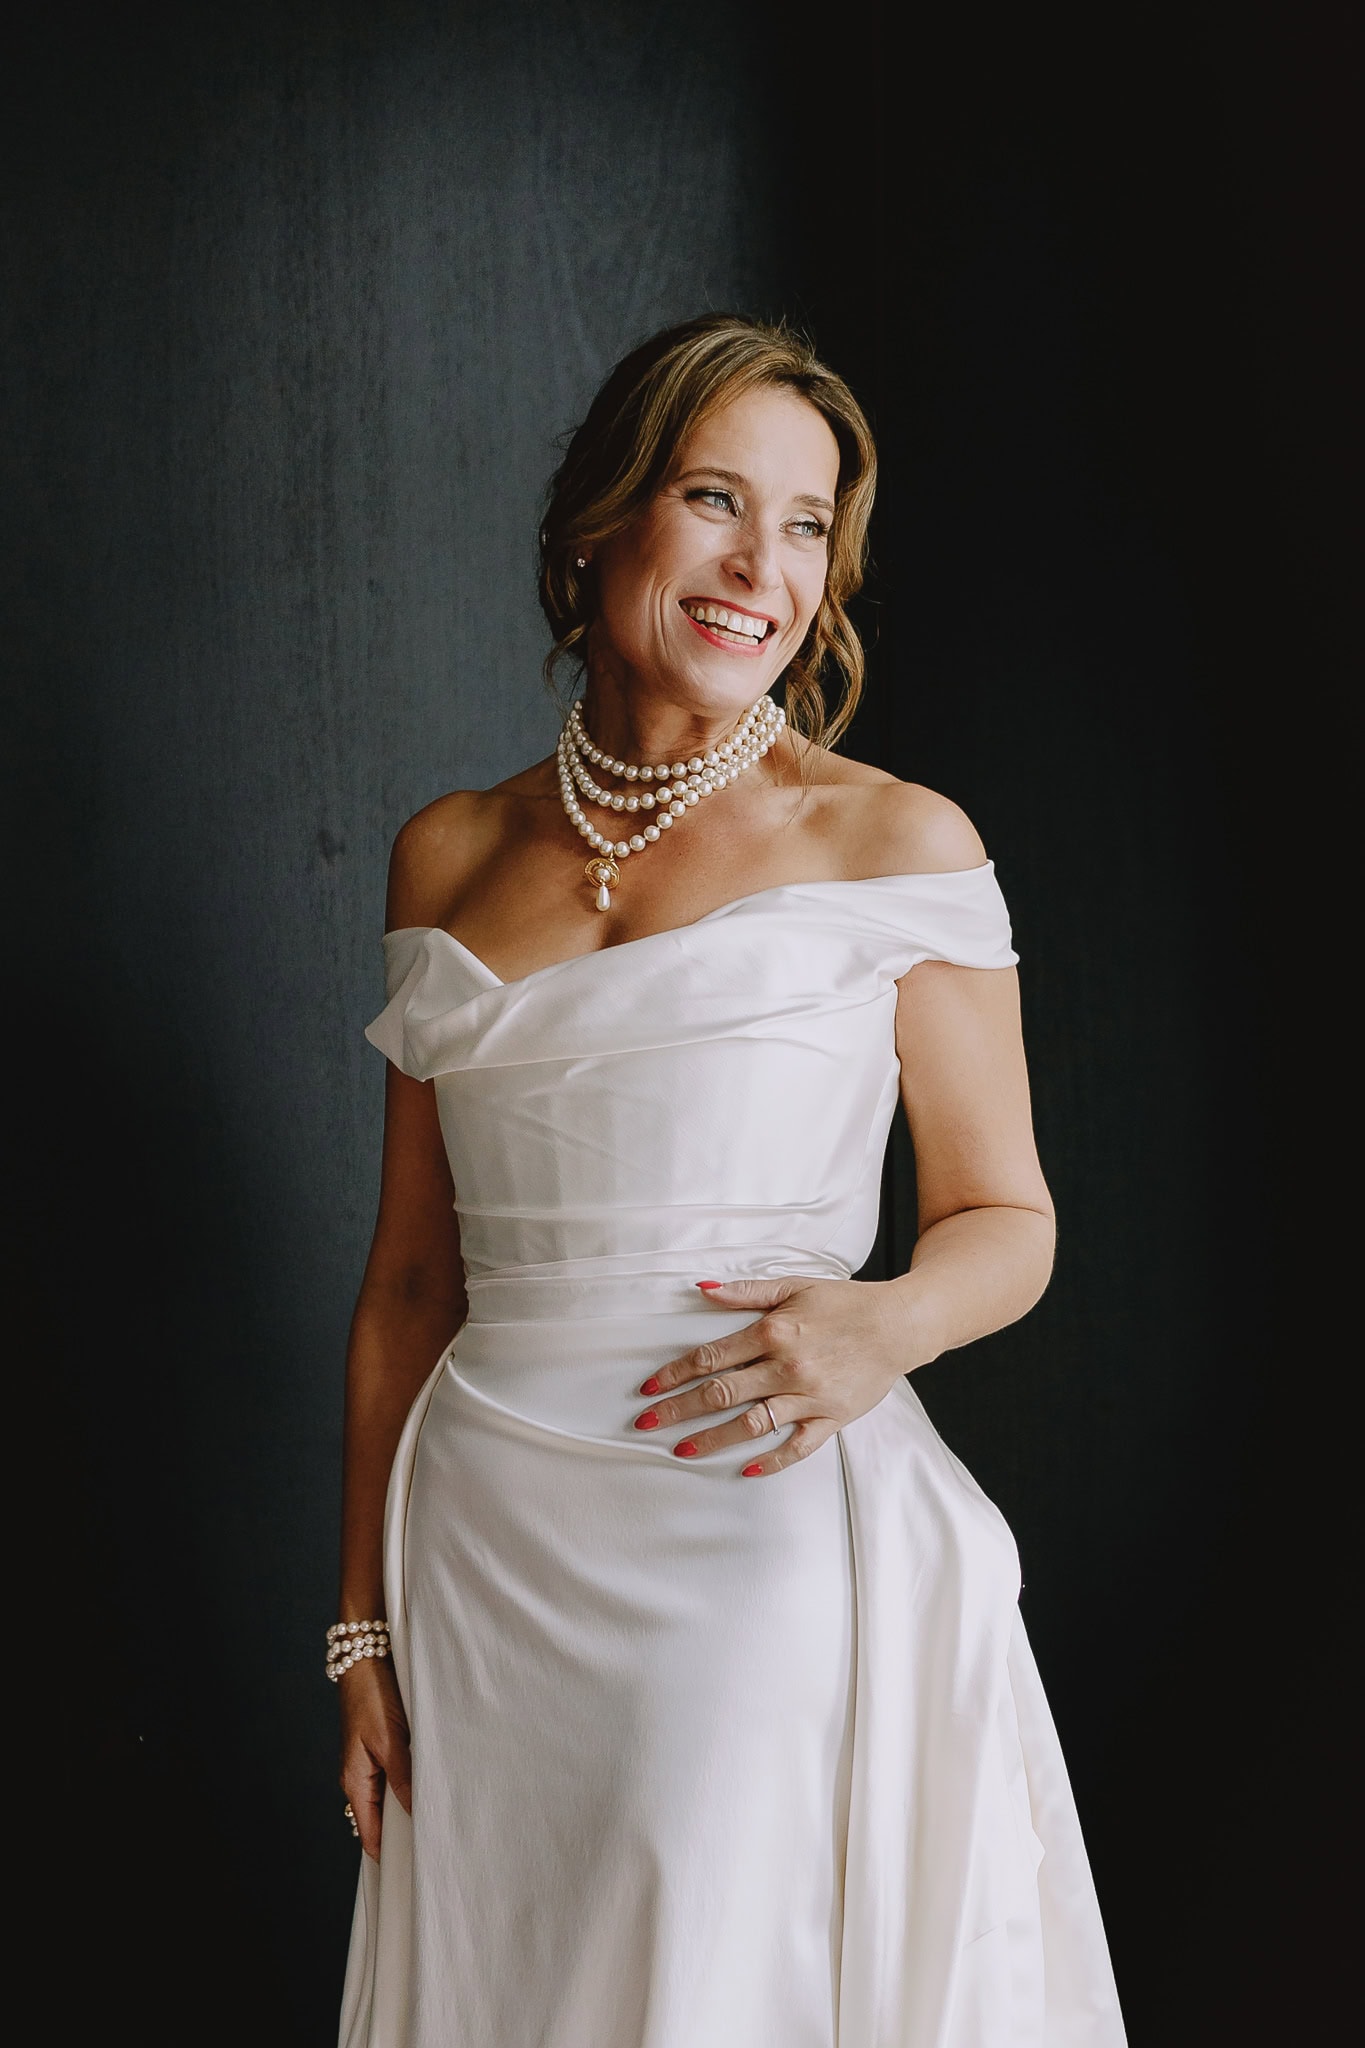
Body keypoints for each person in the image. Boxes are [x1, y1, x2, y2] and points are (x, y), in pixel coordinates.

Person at [333, 314, 1126, 2047]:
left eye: (803, 524)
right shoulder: (447, 850)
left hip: (753, 1505)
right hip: (483, 1553)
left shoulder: (892, 840)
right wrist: (360, 1631)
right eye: (712, 498)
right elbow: (409, 1281)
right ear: (599, 524)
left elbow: (1009, 1220)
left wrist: (885, 1330)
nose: (758, 565)